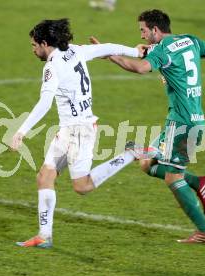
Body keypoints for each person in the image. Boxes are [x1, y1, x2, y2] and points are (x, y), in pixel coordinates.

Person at [91, 9, 205, 243]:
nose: (141, 36)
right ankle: (196, 181)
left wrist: (109, 55)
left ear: (155, 30)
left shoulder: (162, 50)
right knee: (146, 164)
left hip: (182, 124)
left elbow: (139, 68)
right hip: (188, 121)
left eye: (143, 31)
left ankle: (204, 230)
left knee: (172, 177)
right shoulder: (190, 40)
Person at [11, 18, 144, 248]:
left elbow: (44, 103)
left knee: (81, 186)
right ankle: (44, 236)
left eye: (34, 45)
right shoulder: (75, 50)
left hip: (80, 130)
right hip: (67, 130)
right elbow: (108, 47)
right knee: (45, 176)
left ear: (44, 43)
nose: (33, 50)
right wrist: (135, 51)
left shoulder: (52, 67)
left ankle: (131, 153)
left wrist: (21, 131)